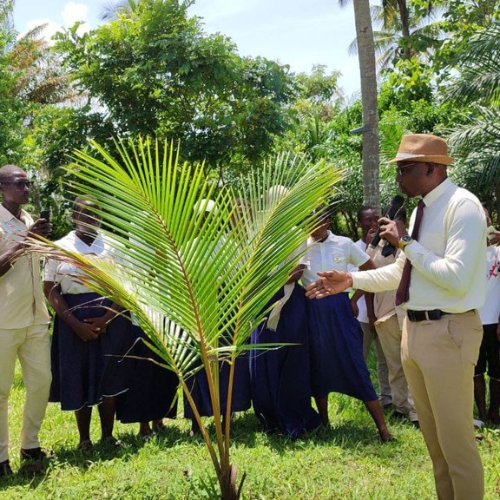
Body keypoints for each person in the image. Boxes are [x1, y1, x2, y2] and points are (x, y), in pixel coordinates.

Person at [306, 134, 486, 500]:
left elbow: (456, 277)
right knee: (436, 446)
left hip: (448, 330)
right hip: (415, 331)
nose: (398, 178)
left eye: (405, 169)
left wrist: (406, 243)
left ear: (432, 168)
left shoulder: (462, 206)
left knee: (457, 446)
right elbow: (402, 273)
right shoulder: (421, 211)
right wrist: (350, 280)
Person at [44, 196, 133, 451]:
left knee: (109, 374)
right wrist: (75, 324)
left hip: (110, 317)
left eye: (95, 214)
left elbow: (126, 288)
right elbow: (50, 288)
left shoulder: (113, 246)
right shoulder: (60, 247)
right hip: (73, 319)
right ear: (74, 217)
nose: (90, 219)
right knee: (79, 374)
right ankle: (84, 439)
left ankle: (108, 435)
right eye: (84, 213)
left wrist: (106, 319)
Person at [302, 210, 393, 442]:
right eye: (307, 221)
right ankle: (324, 423)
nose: (312, 226)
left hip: (340, 309)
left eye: (317, 221)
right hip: (312, 310)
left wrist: (354, 299)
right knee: (318, 365)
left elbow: (371, 270)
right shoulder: (300, 245)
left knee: (355, 362)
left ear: (327, 221)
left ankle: (382, 428)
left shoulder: (344, 243)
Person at [0, 165, 52, 477]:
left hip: (36, 317)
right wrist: (25, 242)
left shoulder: (30, 220)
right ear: (2, 188)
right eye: (20, 184)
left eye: (28, 184)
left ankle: (30, 444)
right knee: (1, 391)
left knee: (42, 382)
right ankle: (1, 458)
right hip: (4, 319)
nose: (26, 189)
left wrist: (41, 241)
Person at [249, 262, 321, 439]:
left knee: (292, 357)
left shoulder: (296, 242)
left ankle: (293, 415)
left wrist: (267, 279)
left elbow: (297, 272)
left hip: (290, 303)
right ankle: (268, 416)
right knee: (263, 357)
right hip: (262, 301)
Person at [365, 206, 418, 426]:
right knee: (394, 364)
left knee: (412, 362)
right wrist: (371, 313)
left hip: (409, 310)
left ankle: (416, 411)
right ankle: (401, 406)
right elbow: (368, 278)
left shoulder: (413, 244)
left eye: (398, 221)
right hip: (385, 311)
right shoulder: (375, 246)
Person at [350, 205, 391, 408]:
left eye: (376, 219)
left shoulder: (388, 245)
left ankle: (387, 397)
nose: (373, 223)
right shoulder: (354, 247)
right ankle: (361, 397)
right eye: (368, 220)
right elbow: (357, 278)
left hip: (384, 310)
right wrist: (368, 248)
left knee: (385, 359)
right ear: (359, 224)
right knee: (360, 357)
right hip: (363, 314)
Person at [473, 208, 500, 425]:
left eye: (487, 219)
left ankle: (494, 412)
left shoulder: (498, 252)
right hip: (472, 323)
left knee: (497, 372)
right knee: (476, 371)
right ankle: (482, 413)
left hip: (496, 323)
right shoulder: (466, 253)